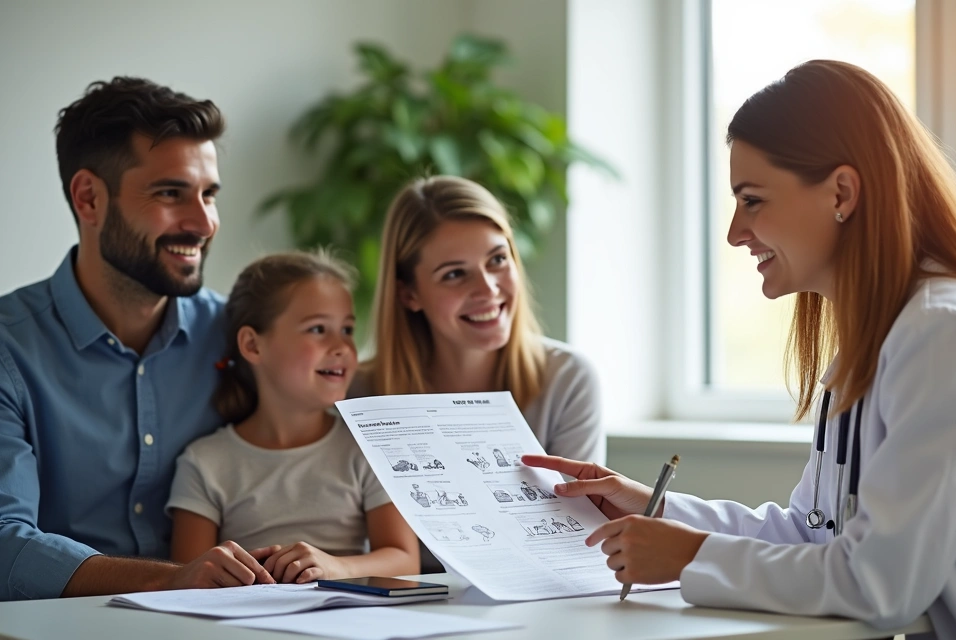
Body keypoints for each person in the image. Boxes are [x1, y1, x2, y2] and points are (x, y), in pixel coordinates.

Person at [525, 60, 956, 639]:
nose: (734, 231)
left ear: (841, 194)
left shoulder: (951, 336)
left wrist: (689, 556)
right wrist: (652, 506)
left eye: (752, 200)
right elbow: (814, 535)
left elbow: (876, 586)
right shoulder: (883, 336)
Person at [0, 77, 279, 601]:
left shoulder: (240, 339)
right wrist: (167, 580)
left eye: (209, 194)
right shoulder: (8, 351)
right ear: (89, 198)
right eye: (171, 193)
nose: (204, 222)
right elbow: (2, 543)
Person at [167, 252, 419, 583]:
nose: (342, 346)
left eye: (347, 329)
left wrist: (335, 567)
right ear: (253, 345)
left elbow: (405, 561)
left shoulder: (368, 449)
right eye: (317, 329)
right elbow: (186, 579)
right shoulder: (204, 463)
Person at [355, 176, 605, 465]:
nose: (488, 289)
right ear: (408, 293)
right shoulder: (358, 395)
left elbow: (578, 509)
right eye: (454, 274)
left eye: (497, 260)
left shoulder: (568, 380)